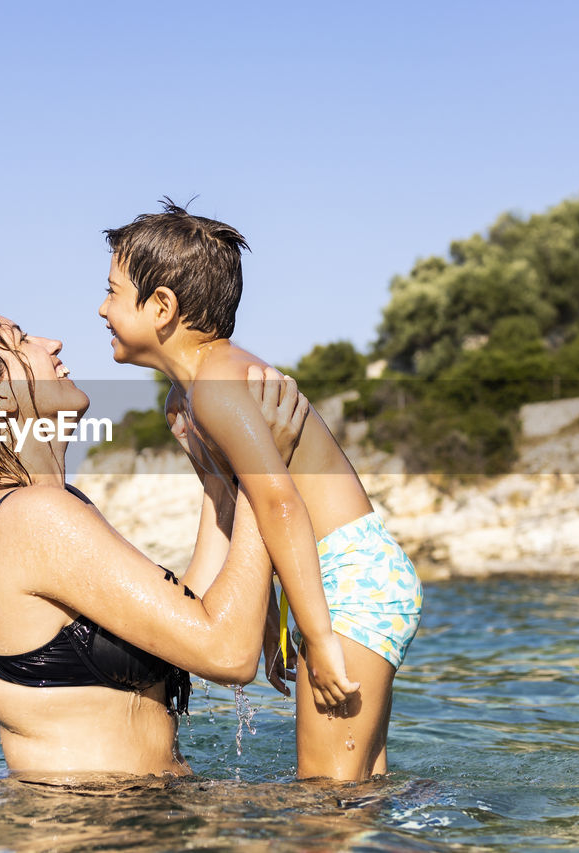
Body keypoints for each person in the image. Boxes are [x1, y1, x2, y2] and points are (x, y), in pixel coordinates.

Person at [0, 291, 310, 779]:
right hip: (94, 825)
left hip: (119, 817)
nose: (53, 343)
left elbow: (192, 618)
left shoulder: (27, 511)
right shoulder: (34, 517)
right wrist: (263, 464)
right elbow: (227, 653)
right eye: (22, 341)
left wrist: (218, 480)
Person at [98, 202, 423, 781]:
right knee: (362, 794)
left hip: (347, 582)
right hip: (337, 581)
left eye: (114, 292)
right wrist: (277, 629)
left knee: (326, 810)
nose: (101, 309)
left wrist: (317, 637)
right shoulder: (188, 401)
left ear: (163, 307)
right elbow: (248, 521)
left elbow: (279, 505)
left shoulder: (219, 386)